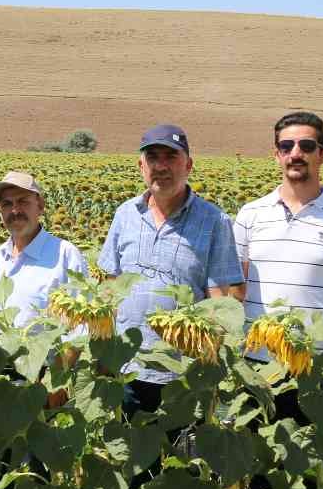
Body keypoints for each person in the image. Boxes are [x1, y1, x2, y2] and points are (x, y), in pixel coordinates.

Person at [97, 125, 244, 412]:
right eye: (152, 157)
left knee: (183, 451)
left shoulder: (214, 221)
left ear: (188, 165)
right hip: (127, 368)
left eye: (171, 157)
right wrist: (104, 356)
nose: (161, 166)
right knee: (131, 453)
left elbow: (223, 302)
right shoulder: (125, 214)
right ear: (141, 166)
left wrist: (209, 367)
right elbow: (109, 287)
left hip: (183, 375)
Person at [233, 112, 323, 368]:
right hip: (257, 359)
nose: (296, 153)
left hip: (321, 362)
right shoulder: (250, 214)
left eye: (307, 146)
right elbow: (235, 289)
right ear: (277, 154)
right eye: (286, 146)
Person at [0, 170, 88, 331]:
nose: (15, 211)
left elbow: (79, 327)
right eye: (7, 204)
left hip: (46, 356)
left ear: (40, 206)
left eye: (23, 202)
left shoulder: (65, 255)